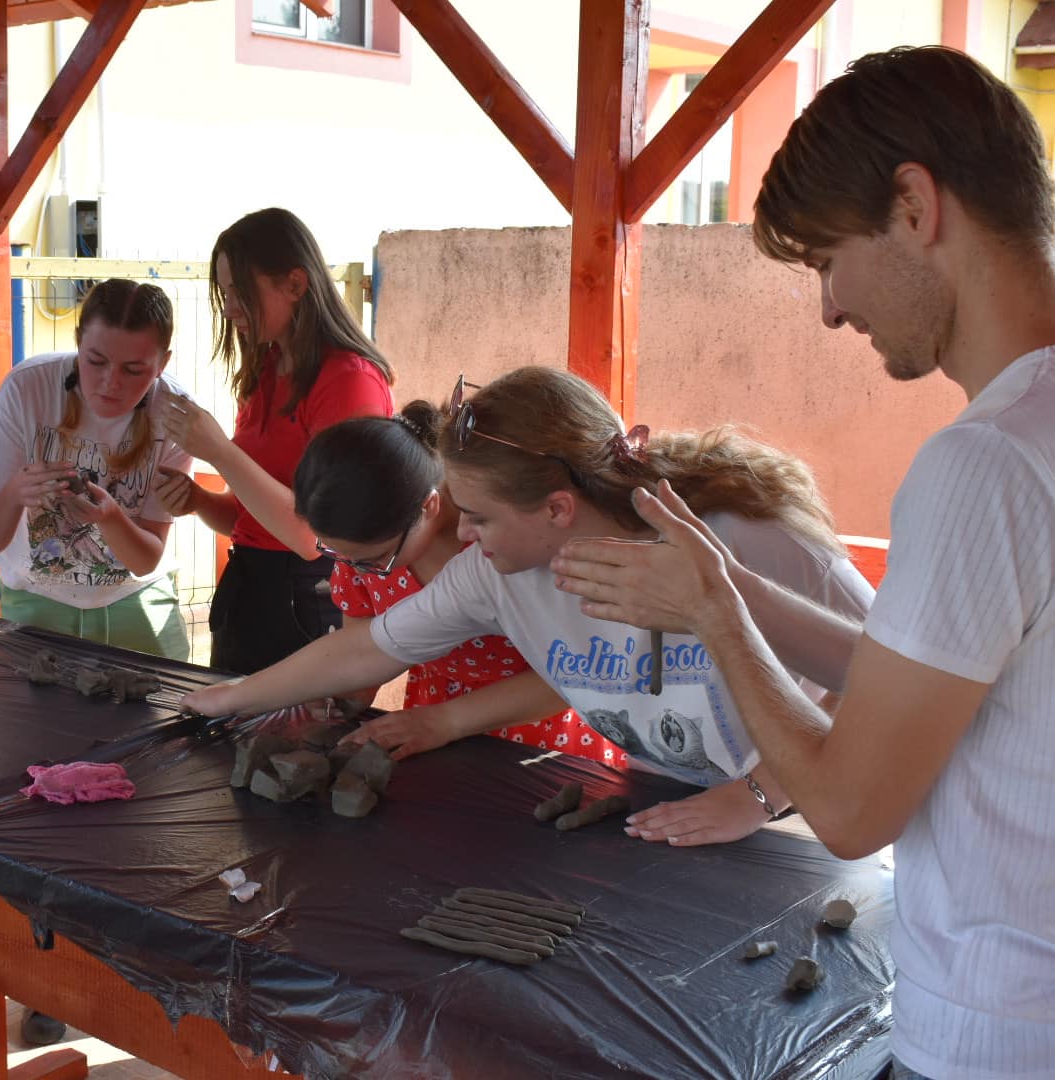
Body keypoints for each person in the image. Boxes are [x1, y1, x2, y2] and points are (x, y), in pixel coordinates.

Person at [548, 47, 1055, 1078]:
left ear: (914, 207)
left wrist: (717, 619)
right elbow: (954, 679)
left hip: (997, 1035)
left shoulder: (988, 464)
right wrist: (733, 588)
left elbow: (851, 808)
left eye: (829, 258)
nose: (829, 307)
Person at [184, 366, 872, 846]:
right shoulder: (494, 572)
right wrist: (227, 698)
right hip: (664, 800)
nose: (462, 534)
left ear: (557, 509)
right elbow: (368, 647)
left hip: (803, 819)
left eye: (479, 516)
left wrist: (758, 796)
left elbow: (888, 678)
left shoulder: (744, 537)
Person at [292, 399, 620, 766]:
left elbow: (578, 671)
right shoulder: (362, 550)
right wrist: (342, 690)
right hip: (429, 721)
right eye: (339, 554)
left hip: (537, 729)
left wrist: (446, 720)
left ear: (427, 507)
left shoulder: (509, 542)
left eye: (374, 558)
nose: (358, 568)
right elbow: (363, 653)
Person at [152, 208, 394, 674]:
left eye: (239, 290)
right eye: (224, 292)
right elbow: (250, 518)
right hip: (250, 591)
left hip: (311, 601)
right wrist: (198, 500)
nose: (229, 308)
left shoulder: (349, 380)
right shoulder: (265, 369)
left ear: (295, 285)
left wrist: (219, 451)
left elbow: (313, 538)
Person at [0, 278, 193, 660]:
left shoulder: (175, 411)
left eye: (134, 370)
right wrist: (15, 493)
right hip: (36, 601)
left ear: (162, 364)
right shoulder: (26, 388)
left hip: (137, 601)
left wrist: (110, 518)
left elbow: (144, 561)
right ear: (78, 343)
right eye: (96, 361)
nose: (111, 383)